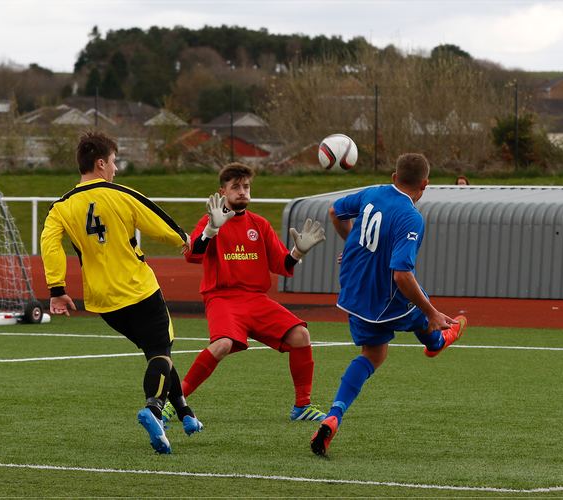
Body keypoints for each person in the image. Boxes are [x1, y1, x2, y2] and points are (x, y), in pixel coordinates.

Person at [40, 130, 202, 455]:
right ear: (101, 163)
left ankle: (185, 413)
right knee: (160, 351)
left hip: (104, 302)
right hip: (139, 289)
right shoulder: (121, 194)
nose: (115, 169)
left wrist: (57, 289)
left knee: (156, 352)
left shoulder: (61, 207)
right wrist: (186, 238)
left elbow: (50, 245)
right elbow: (160, 223)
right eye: (114, 162)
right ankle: (154, 410)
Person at [310, 153, 467, 456]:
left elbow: (334, 212)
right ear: (425, 184)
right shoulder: (411, 217)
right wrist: (432, 312)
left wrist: (352, 244)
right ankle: (437, 338)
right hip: (383, 299)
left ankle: (334, 415)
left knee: (372, 354)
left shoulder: (373, 192)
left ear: (394, 177)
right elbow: (401, 276)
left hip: (353, 292)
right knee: (417, 305)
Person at [162, 162, 329, 425]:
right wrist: (211, 230)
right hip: (222, 298)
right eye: (236, 187)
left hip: (256, 300)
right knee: (222, 344)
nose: (242, 191)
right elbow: (193, 255)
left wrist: (298, 252)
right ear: (223, 191)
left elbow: (282, 265)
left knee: (301, 335)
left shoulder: (259, 225)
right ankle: (176, 400)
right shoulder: (210, 221)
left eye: (246, 186)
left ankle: (302, 406)